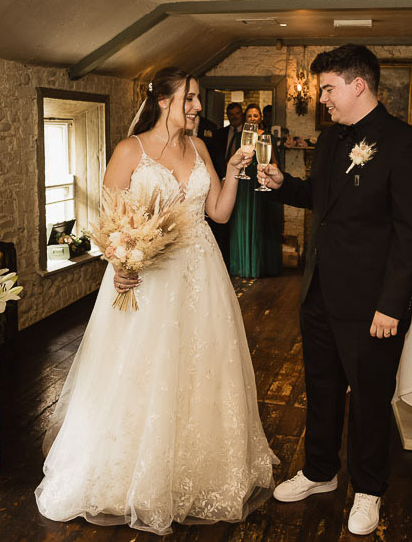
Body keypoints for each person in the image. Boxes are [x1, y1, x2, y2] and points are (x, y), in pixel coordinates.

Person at [35, 67, 277, 536]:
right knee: (142, 369)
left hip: (203, 274)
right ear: (164, 100)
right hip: (148, 277)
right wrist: (120, 262)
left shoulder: (200, 147)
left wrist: (231, 172)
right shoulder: (131, 150)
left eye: (197, 98)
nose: (198, 106)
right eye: (190, 98)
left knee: (202, 368)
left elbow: (218, 213)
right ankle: (129, 472)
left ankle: (197, 469)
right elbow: (107, 218)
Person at [257, 44, 412, 536]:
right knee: (322, 388)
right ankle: (320, 471)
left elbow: (411, 235)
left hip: (373, 303)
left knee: (370, 399)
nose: (323, 99)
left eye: (329, 89)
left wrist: (390, 305)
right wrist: (283, 183)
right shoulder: (331, 139)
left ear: (359, 85)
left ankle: (369, 488)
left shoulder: (408, 145)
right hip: (319, 291)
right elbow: (323, 200)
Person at [229, 103, 282, 278]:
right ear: (246, 118)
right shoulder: (239, 136)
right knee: (242, 221)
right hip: (243, 185)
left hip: (260, 181)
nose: (252, 118)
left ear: (260, 118)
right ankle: (241, 265)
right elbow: (231, 160)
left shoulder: (267, 137)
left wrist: (268, 172)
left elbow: (275, 162)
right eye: (249, 116)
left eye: (255, 115)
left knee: (259, 223)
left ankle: (256, 266)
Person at [206, 102, 245, 266]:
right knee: (224, 228)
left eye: (237, 113)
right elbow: (215, 158)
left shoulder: (249, 134)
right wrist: (222, 177)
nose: (234, 117)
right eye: (231, 114)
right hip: (220, 182)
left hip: (244, 183)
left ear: (241, 114)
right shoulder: (219, 134)